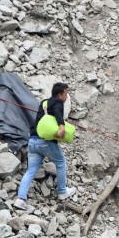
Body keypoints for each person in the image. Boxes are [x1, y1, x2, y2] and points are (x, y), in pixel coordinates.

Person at [14, 82, 76, 210]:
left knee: (31, 171)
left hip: (33, 141)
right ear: (60, 94)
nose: (67, 96)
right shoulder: (58, 103)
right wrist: (62, 127)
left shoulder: (44, 102)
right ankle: (62, 192)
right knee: (61, 162)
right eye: (66, 93)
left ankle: (20, 199)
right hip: (45, 143)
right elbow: (58, 114)